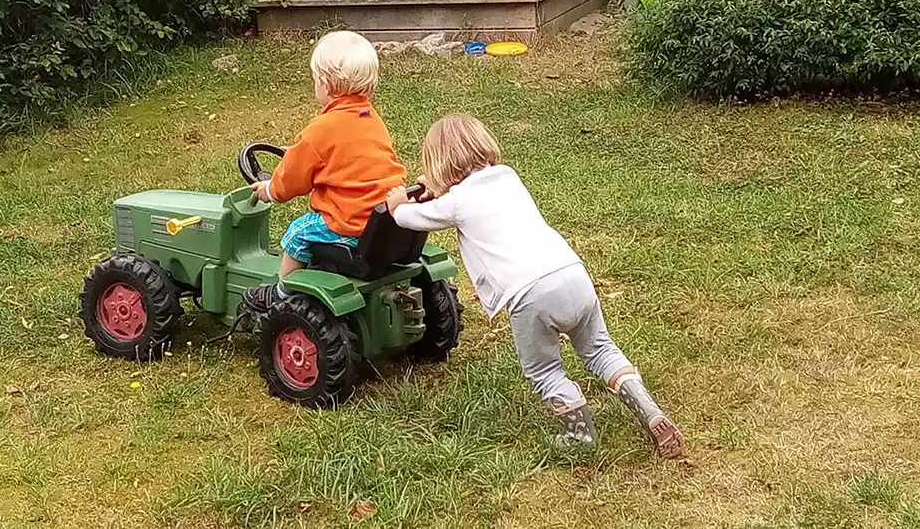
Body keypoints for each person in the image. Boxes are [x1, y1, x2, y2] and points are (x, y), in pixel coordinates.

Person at [385, 113, 683, 456]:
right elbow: (461, 199)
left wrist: (398, 206)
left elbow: (413, 217)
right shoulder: (507, 177)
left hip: (531, 296)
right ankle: (649, 410)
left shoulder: (456, 202)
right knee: (601, 350)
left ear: (438, 164)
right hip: (572, 274)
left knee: (544, 369)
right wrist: (438, 189)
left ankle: (580, 434)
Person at [240, 31, 405, 313]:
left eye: (315, 78)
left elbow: (291, 179)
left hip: (349, 221)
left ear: (325, 84)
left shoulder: (321, 129)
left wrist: (269, 190)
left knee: (297, 232)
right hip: (385, 218)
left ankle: (282, 294)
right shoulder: (370, 118)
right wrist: (299, 151)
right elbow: (343, 155)